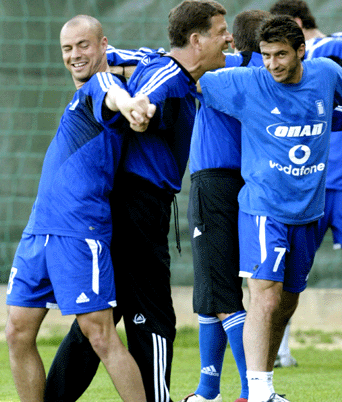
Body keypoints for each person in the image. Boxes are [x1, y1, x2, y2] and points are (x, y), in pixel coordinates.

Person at [44, 2, 232, 401]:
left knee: (99, 321)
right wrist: (137, 107)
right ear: (197, 41)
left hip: (130, 202)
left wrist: (98, 74)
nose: (228, 38)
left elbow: (110, 57)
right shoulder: (168, 73)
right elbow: (149, 91)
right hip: (137, 204)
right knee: (153, 313)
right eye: (221, 31)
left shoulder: (153, 61)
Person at [5, 14, 156, 402]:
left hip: (78, 233)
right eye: (67, 49)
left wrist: (130, 104)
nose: (74, 55)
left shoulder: (100, 85)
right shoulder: (80, 95)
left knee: (100, 335)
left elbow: (112, 90)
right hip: (39, 229)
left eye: (83, 45)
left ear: (104, 45)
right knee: (17, 331)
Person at [199, 15, 342, 402]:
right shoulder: (247, 81)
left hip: (309, 212)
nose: (273, 64)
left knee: (288, 299)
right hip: (263, 208)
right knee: (265, 294)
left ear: (301, 51)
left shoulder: (326, 73)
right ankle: (258, 390)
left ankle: (260, 388)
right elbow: (193, 75)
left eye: (281, 55)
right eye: (265, 55)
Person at [183, 10, 271, 402]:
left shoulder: (221, 73)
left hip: (213, 185)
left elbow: (179, 66)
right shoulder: (269, 78)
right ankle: (207, 391)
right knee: (212, 289)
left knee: (219, 293)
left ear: (234, 40)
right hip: (249, 187)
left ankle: (254, 391)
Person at [269, 0, 342, 368]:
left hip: (335, 182)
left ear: (296, 26)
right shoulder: (282, 72)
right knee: (286, 273)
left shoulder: (326, 49)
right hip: (307, 185)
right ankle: (279, 353)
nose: (274, 58)